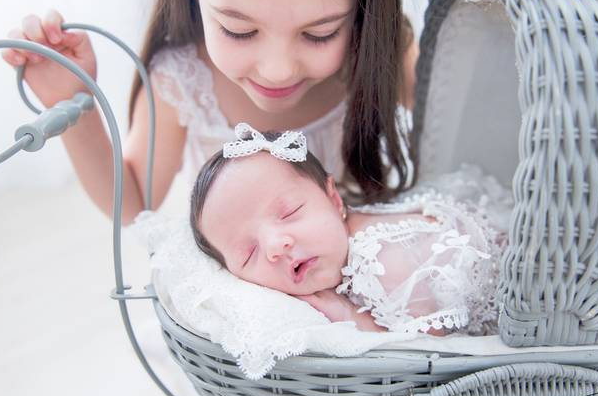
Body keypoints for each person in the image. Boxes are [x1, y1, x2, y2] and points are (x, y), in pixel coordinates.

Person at [2, 0, 419, 225]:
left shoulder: (383, 53)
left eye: (319, 34)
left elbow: (453, 129)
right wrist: (71, 102)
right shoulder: (183, 80)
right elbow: (131, 203)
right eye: (239, 30)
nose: (277, 71)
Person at [191, 125, 505, 338]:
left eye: (289, 213)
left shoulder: (384, 264)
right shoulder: (336, 242)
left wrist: (352, 318)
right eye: (248, 254)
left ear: (334, 198)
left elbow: (429, 352)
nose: (276, 245)